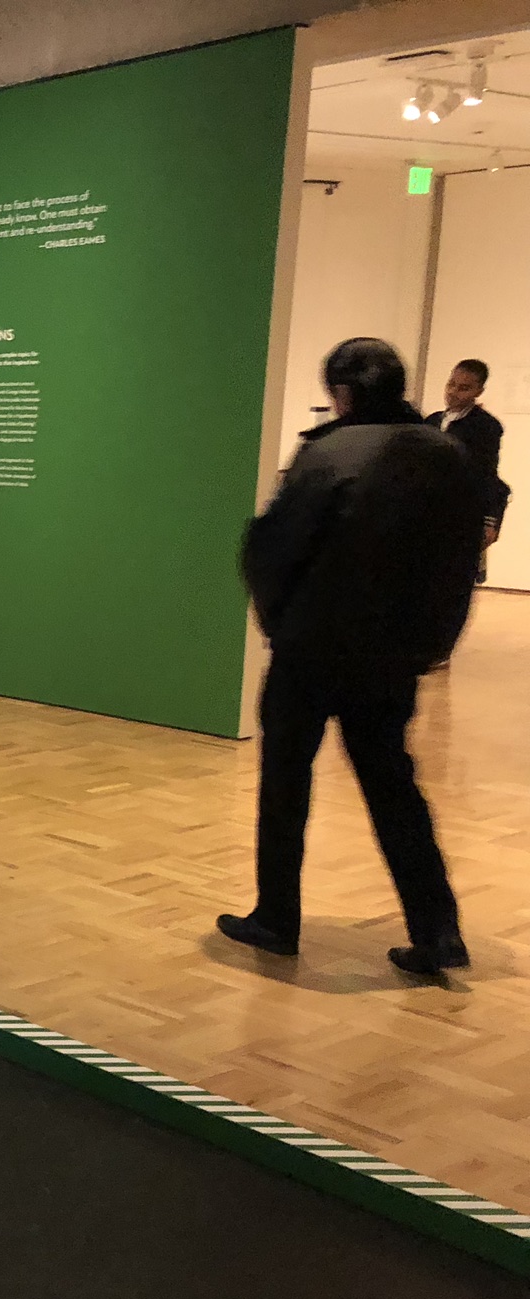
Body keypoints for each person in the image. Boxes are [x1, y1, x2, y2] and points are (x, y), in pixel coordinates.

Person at [220, 338, 486, 975]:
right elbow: (459, 566)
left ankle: (276, 918)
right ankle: (438, 930)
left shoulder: (329, 452)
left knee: (287, 781)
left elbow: (273, 549)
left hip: (312, 649)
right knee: (394, 786)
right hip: (391, 658)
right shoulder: (449, 456)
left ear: (341, 393)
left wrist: (279, 622)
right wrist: (429, 647)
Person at [425, 358, 509, 582]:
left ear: (478, 391)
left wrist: (490, 519)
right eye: (451, 384)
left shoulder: (485, 427)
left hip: (462, 511)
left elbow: (486, 473)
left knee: (453, 579)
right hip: (431, 510)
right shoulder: (431, 422)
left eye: (464, 388)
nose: (453, 392)